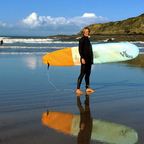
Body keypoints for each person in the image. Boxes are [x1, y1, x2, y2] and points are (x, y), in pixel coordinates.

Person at [76, 27, 95, 94]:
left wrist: (92, 60)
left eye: (88, 31)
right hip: (84, 59)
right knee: (82, 74)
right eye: (86, 31)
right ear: (83, 32)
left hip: (89, 59)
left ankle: (87, 88)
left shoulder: (88, 40)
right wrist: (82, 58)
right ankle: (78, 89)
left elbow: (89, 50)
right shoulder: (82, 40)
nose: (87, 33)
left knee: (88, 74)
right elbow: (80, 50)